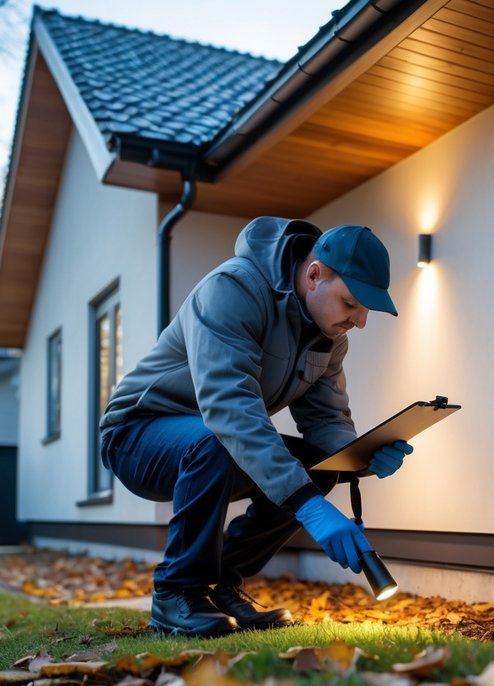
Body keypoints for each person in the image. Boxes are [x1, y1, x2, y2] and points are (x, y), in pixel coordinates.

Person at [98, 217, 413, 637]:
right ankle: (177, 592)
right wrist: (309, 506)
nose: (360, 322)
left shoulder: (329, 336)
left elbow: (325, 420)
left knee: (320, 467)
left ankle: (220, 586)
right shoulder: (232, 290)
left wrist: (361, 458)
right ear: (314, 275)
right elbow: (229, 407)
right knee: (216, 442)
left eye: (366, 310)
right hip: (136, 434)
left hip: (213, 438)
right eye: (351, 303)